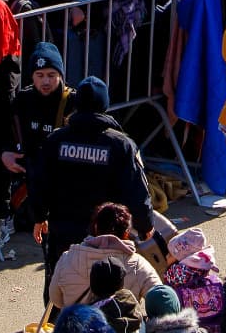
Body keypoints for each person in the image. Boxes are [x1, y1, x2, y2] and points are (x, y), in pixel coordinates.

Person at [26, 78, 155, 300]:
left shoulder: (56, 140)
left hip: (63, 230)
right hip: (106, 235)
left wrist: (39, 216)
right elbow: (136, 191)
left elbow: (39, 182)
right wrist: (145, 224)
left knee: (62, 280)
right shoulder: (121, 145)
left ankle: (57, 328)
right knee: (107, 291)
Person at [47, 202, 164, 311]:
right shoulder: (138, 264)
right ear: (127, 232)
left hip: (76, 329)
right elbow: (161, 299)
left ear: (96, 227)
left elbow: (55, 299)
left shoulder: (67, 258)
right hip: (122, 331)